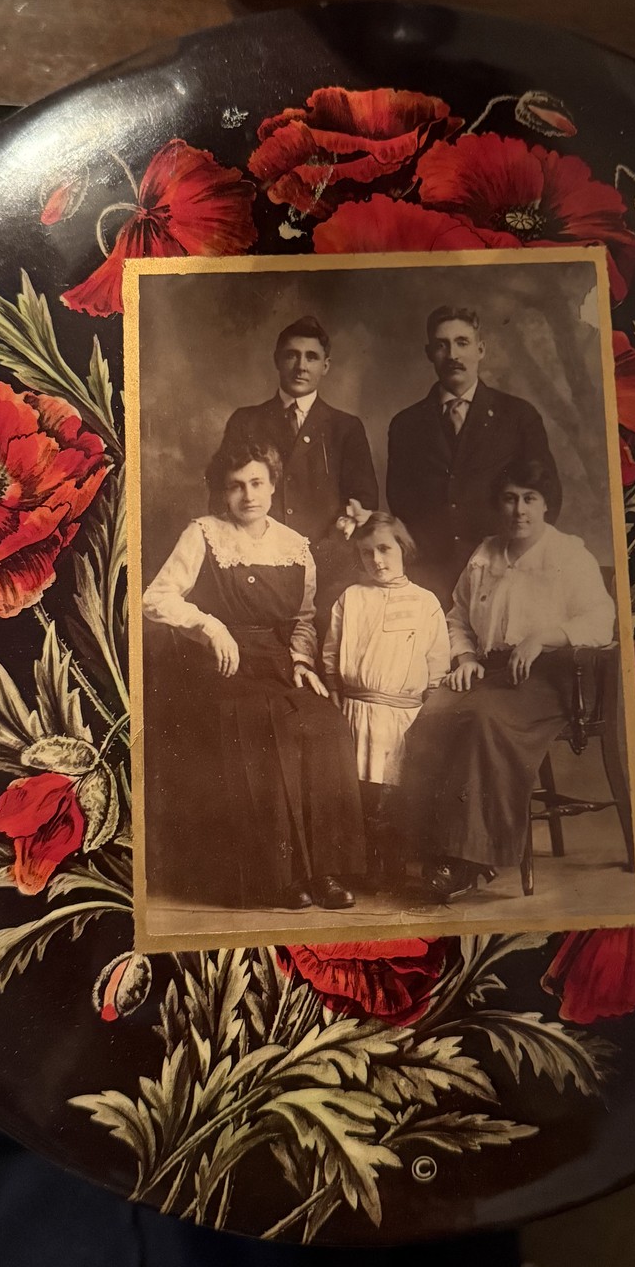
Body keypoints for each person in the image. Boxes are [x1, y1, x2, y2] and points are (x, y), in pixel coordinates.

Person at [141, 438, 365, 912]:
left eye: (257, 483)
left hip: (277, 662)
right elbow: (155, 598)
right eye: (236, 486)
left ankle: (322, 871)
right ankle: (276, 876)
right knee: (264, 725)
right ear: (223, 493)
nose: (248, 495)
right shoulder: (202, 533)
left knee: (325, 724)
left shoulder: (295, 546)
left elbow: (303, 619)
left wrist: (302, 663)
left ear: (272, 483)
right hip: (218, 665)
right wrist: (209, 625)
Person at [395, 455, 616, 903]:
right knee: (430, 714)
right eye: (510, 499)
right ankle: (427, 850)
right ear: (499, 504)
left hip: (553, 679)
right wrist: (467, 656)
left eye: (529, 499)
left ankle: (470, 860)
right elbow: (457, 615)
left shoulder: (567, 554)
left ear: (546, 504)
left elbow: (601, 621)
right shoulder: (486, 554)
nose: (519, 510)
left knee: (481, 720)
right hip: (492, 673)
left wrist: (543, 637)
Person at [385, 305, 557, 607]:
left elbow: (547, 494)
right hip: (430, 575)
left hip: (502, 571)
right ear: (429, 354)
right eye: (442, 345)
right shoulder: (406, 424)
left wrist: (517, 554)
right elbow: (400, 500)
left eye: (462, 343)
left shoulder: (517, 416)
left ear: (480, 349)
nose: (452, 354)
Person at [321, 516, 449, 885]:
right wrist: (333, 687)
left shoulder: (425, 602)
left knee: (393, 792)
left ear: (402, 548)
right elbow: (332, 650)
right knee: (359, 793)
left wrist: (430, 704)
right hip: (356, 709)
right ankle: (362, 865)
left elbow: (437, 661)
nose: (376, 560)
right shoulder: (351, 598)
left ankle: (393, 862)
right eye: (366, 553)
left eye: (384, 549)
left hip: (404, 713)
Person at [221, 314, 379, 611]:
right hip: (257, 562)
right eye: (292, 355)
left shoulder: (346, 427)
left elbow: (364, 501)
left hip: (328, 566)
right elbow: (221, 493)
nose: (301, 366)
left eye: (311, 357)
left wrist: (330, 549)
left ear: (326, 366)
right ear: (277, 360)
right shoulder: (246, 421)